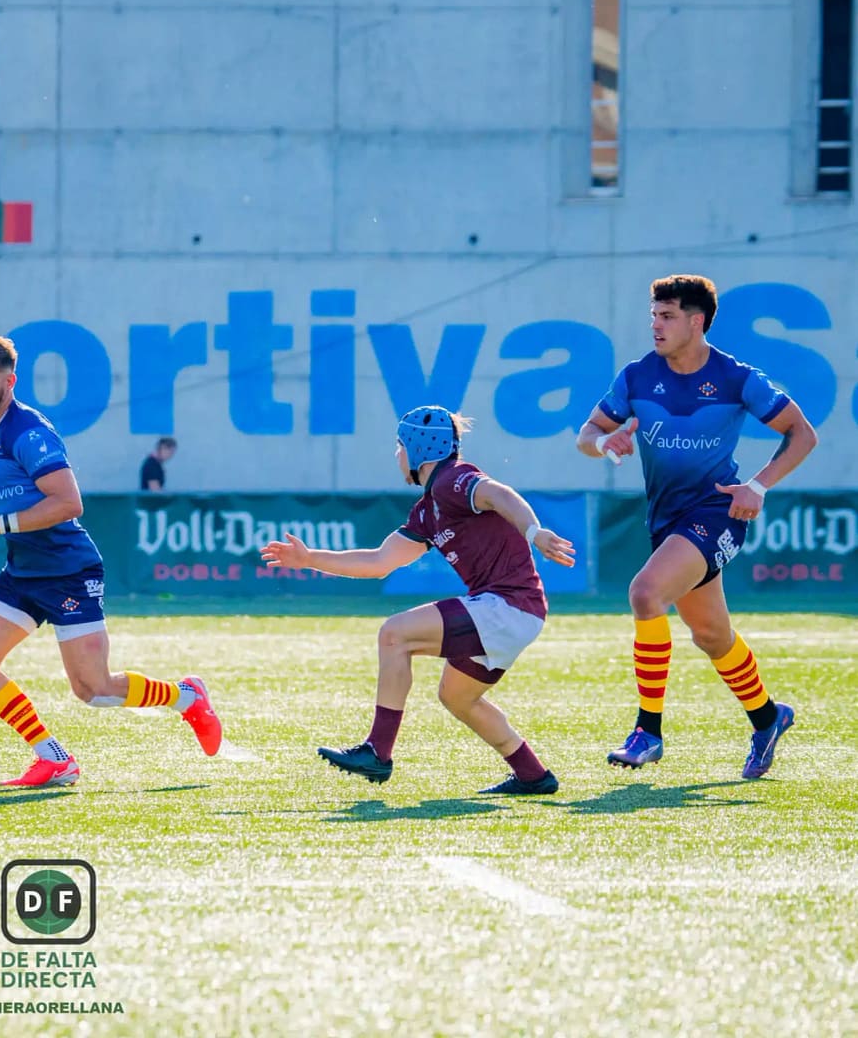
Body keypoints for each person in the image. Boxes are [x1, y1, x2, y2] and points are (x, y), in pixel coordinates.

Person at [0, 333, 222, 787]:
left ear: (10, 381)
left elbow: (69, 502)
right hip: (22, 571)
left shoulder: (28, 432)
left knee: (93, 689)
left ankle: (185, 697)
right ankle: (55, 758)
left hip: (68, 570)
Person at [261, 407, 575, 795]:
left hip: (508, 606)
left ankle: (378, 751)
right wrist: (310, 560)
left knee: (395, 634)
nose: (396, 456)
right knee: (457, 698)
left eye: (398, 446)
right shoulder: (427, 510)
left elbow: (499, 494)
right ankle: (533, 775)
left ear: (417, 447)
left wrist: (534, 531)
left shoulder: (453, 479)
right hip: (510, 611)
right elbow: (380, 562)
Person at [577, 275, 818, 778]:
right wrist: (606, 443)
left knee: (645, 592)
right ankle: (768, 717)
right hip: (666, 521)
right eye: (654, 316)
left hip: (718, 513)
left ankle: (648, 731)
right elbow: (588, 433)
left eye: (666, 316)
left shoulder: (736, 377)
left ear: (697, 321)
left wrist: (759, 485)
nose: (656, 325)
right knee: (711, 635)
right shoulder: (637, 376)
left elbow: (802, 433)